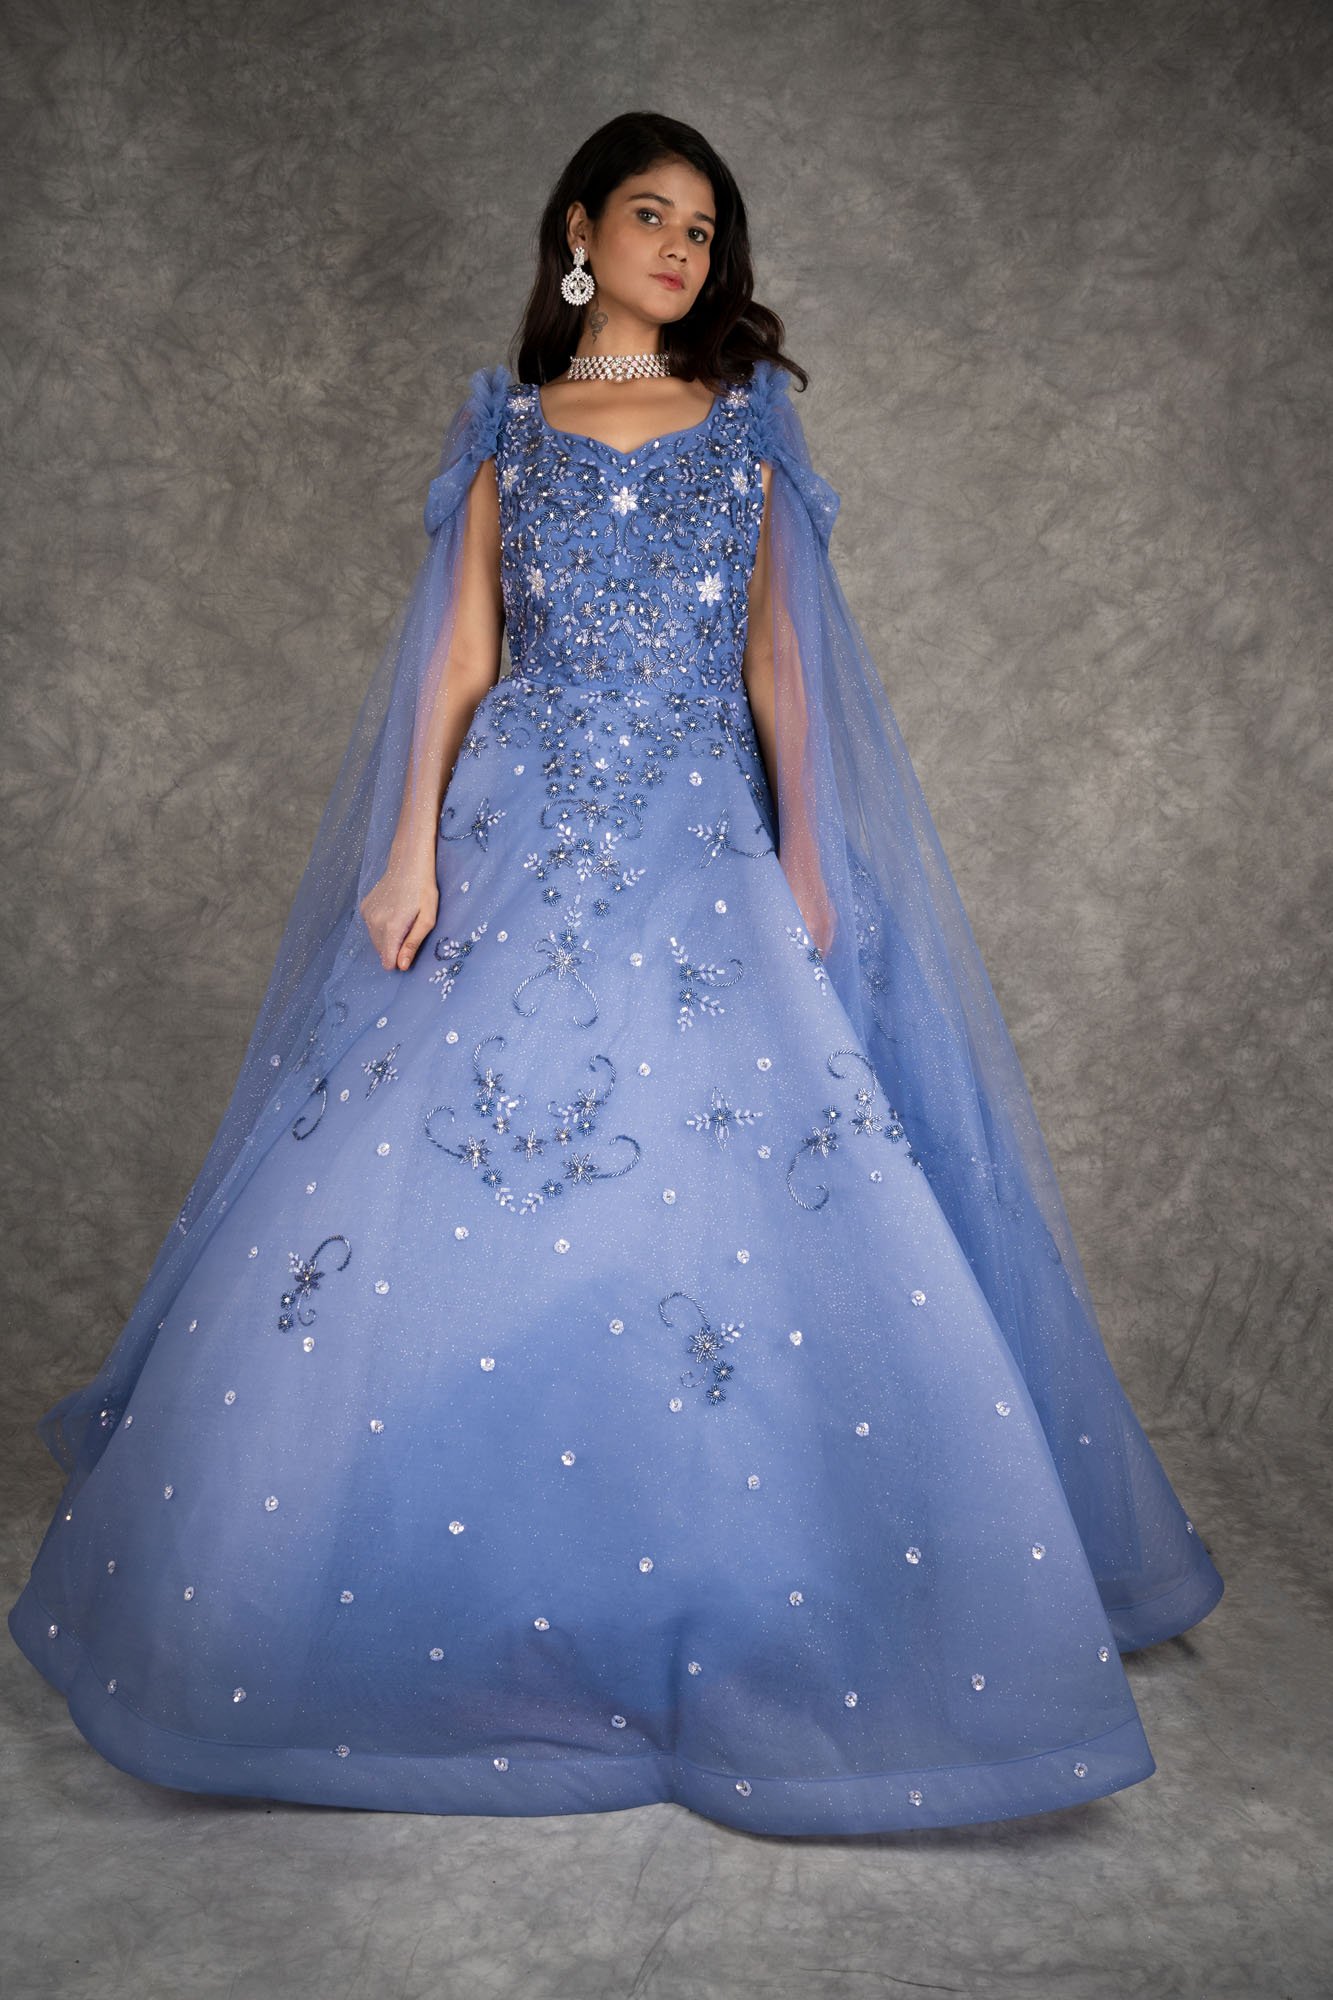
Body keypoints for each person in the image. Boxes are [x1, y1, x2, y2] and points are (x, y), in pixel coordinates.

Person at [8, 111, 1223, 1836]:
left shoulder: (749, 424)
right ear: (578, 230)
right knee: (432, 1181)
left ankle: (740, 1587)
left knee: (731, 1190)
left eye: (703, 230)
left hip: (700, 835)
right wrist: (409, 846)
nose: (679, 248)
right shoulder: (508, 428)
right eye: (651, 215)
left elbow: (779, 658)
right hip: (515, 827)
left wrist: (808, 854)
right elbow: (459, 655)